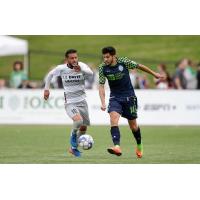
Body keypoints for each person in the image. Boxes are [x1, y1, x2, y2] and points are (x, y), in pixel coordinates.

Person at [98, 46, 164, 158]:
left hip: (129, 97)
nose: (105, 59)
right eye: (104, 57)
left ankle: (139, 144)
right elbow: (101, 86)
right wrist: (103, 102)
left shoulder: (124, 62)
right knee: (113, 119)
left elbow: (140, 66)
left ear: (114, 56)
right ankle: (117, 146)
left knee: (133, 126)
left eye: (107, 57)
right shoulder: (102, 68)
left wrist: (154, 74)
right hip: (115, 97)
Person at [44, 49, 93, 157]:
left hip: (82, 102)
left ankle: (72, 148)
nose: (74, 59)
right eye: (72, 58)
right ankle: (73, 141)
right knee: (78, 121)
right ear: (67, 59)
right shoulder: (61, 68)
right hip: (70, 102)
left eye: (76, 57)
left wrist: (81, 70)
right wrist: (46, 89)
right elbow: (50, 75)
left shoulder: (82, 66)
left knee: (84, 128)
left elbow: (90, 73)